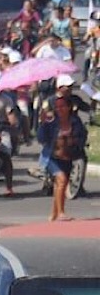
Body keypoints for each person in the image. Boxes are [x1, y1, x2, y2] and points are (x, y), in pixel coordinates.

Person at [37, 80, 87, 222]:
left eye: (63, 106)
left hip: (68, 156)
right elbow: (41, 138)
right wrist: (43, 123)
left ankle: (54, 213)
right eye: (58, 107)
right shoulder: (51, 122)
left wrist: (75, 142)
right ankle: (61, 213)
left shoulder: (75, 122)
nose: (60, 109)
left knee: (60, 184)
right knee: (62, 180)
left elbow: (82, 135)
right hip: (52, 157)